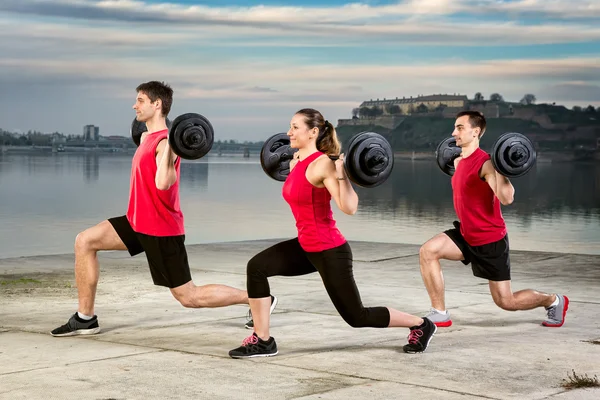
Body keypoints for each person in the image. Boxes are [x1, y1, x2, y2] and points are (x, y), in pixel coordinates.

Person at [51, 81, 275, 336]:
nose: (134, 105)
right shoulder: (147, 138)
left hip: (160, 230)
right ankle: (85, 317)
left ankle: (257, 298)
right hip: (136, 222)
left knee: (188, 296)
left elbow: (163, 182)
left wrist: (170, 148)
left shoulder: (165, 144)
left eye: (141, 100)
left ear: (157, 105)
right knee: (85, 241)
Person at [228, 108, 436, 358]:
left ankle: (421, 324)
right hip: (306, 246)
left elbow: (349, 207)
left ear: (313, 132)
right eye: (290, 127)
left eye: (295, 127)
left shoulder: (323, 164)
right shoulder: (296, 163)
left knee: (356, 316)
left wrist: (341, 176)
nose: (288, 132)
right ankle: (263, 340)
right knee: (257, 267)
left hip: (329, 250)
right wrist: (293, 166)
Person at [418, 110, 568, 328]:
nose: (454, 133)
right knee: (428, 251)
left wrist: (501, 168)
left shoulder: (487, 164)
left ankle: (553, 300)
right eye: (455, 127)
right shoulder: (459, 162)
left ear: (475, 132)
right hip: (466, 234)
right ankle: (439, 312)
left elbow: (506, 198)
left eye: (460, 128)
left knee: (506, 301)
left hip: (490, 240)